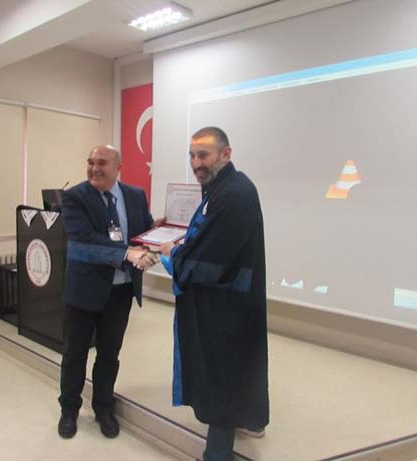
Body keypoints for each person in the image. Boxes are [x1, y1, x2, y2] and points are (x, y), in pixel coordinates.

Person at [159, 127, 269, 461]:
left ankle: (218, 455)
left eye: (203, 155)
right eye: (192, 155)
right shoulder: (224, 188)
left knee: (222, 375)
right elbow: (211, 241)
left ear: (226, 154)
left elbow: (207, 261)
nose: (196, 163)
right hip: (231, 301)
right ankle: (249, 420)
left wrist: (171, 254)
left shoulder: (233, 194)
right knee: (238, 370)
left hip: (225, 308)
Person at [58, 144, 159, 439]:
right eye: (90, 162)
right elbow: (85, 239)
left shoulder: (135, 195)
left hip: (120, 291)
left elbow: (143, 231)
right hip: (83, 290)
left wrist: (163, 232)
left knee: (109, 354)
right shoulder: (74, 197)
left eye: (102, 162)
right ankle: (69, 410)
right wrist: (128, 253)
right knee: (74, 354)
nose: (94, 168)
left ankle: (103, 408)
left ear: (118, 167)